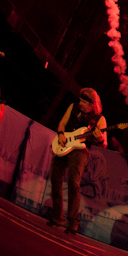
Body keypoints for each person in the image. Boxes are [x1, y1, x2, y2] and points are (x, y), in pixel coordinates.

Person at [48, 88, 106, 234]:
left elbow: (104, 143)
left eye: (84, 102)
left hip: (80, 150)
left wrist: (99, 138)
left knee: (73, 183)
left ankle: (73, 222)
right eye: (80, 100)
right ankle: (57, 217)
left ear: (92, 105)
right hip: (64, 143)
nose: (80, 103)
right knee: (55, 179)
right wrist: (61, 134)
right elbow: (62, 123)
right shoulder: (73, 107)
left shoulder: (99, 119)